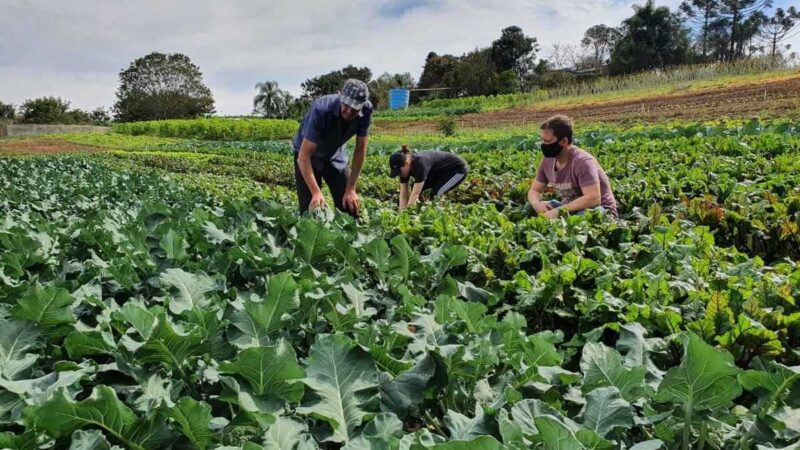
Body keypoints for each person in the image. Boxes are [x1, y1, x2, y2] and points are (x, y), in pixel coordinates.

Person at [293, 79, 372, 217]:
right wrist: (316, 192)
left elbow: (360, 149)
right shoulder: (322, 109)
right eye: (346, 105)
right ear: (341, 97)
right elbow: (304, 156)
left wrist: (351, 188)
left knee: (349, 206)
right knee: (310, 211)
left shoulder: (366, 110)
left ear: (362, 106)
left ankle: (349, 237)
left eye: (354, 108)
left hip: (335, 154)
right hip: (307, 157)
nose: (348, 111)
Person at [528, 115, 618, 219]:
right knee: (531, 207)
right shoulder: (547, 161)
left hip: (599, 210)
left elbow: (593, 198)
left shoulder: (583, 162)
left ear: (564, 141)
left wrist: (559, 211)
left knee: (582, 217)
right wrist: (536, 203)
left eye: (548, 141)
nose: (543, 145)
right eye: (542, 140)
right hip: (569, 208)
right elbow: (535, 190)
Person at [388, 145, 469, 209]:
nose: (399, 174)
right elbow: (403, 195)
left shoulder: (420, 164)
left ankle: (441, 213)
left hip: (457, 169)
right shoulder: (403, 171)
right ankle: (421, 210)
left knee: (436, 193)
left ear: (406, 163)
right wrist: (402, 215)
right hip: (438, 172)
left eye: (399, 171)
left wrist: (408, 216)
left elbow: (415, 194)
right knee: (413, 187)